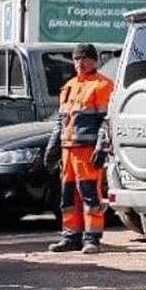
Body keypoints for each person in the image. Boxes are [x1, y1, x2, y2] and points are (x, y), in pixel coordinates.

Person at [44, 43, 114, 254]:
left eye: (84, 58)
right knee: (67, 197)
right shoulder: (69, 86)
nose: (79, 63)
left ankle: (92, 238)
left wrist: (101, 148)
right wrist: (52, 147)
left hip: (87, 151)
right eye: (76, 59)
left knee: (89, 195)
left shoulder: (103, 85)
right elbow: (60, 121)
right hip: (68, 151)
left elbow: (107, 121)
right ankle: (71, 236)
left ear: (94, 60)